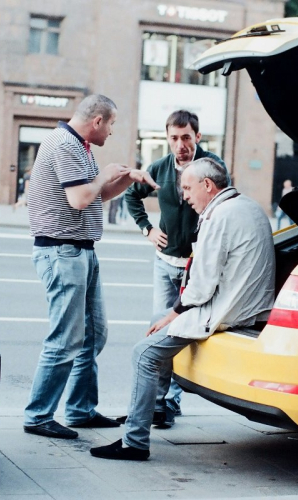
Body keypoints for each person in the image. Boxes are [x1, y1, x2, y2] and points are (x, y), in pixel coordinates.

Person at [91, 157, 276, 461]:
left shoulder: (220, 218)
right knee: (156, 323)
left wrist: (173, 314)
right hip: (245, 306)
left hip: (225, 311)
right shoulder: (248, 206)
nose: (185, 196)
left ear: (208, 185)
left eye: (188, 188)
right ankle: (158, 407)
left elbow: (201, 287)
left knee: (144, 353)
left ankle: (134, 441)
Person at [23, 94, 159, 440]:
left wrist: (128, 178)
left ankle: (80, 410)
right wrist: (104, 174)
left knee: (93, 334)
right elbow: (80, 198)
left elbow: (96, 194)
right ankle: (38, 415)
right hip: (62, 252)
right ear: (97, 120)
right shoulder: (64, 145)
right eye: (111, 123)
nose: (112, 131)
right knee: (65, 338)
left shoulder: (78, 145)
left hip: (80, 251)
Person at [124, 110, 227, 427]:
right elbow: (131, 196)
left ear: (197, 136)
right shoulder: (159, 168)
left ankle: (170, 401)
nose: (180, 144)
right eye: (173, 138)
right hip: (164, 264)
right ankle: (159, 404)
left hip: (195, 269)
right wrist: (147, 230)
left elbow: (224, 206)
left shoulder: (212, 168)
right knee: (160, 329)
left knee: (182, 332)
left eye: (185, 137)